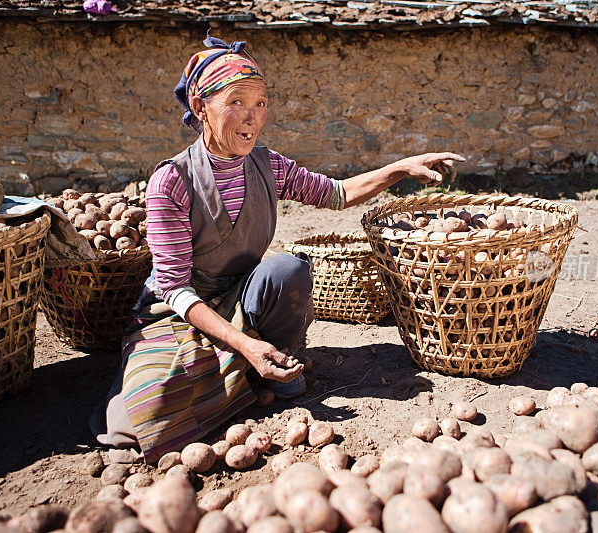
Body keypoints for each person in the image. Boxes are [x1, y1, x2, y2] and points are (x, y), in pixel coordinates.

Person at [90, 35, 464, 463]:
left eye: (261, 103)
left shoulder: (268, 165)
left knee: (288, 272)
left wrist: (400, 167)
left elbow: (337, 193)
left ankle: (275, 367)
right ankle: (251, 365)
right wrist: (245, 345)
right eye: (236, 103)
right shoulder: (172, 182)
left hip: (244, 297)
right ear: (200, 109)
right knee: (137, 419)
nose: (252, 117)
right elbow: (175, 289)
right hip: (178, 310)